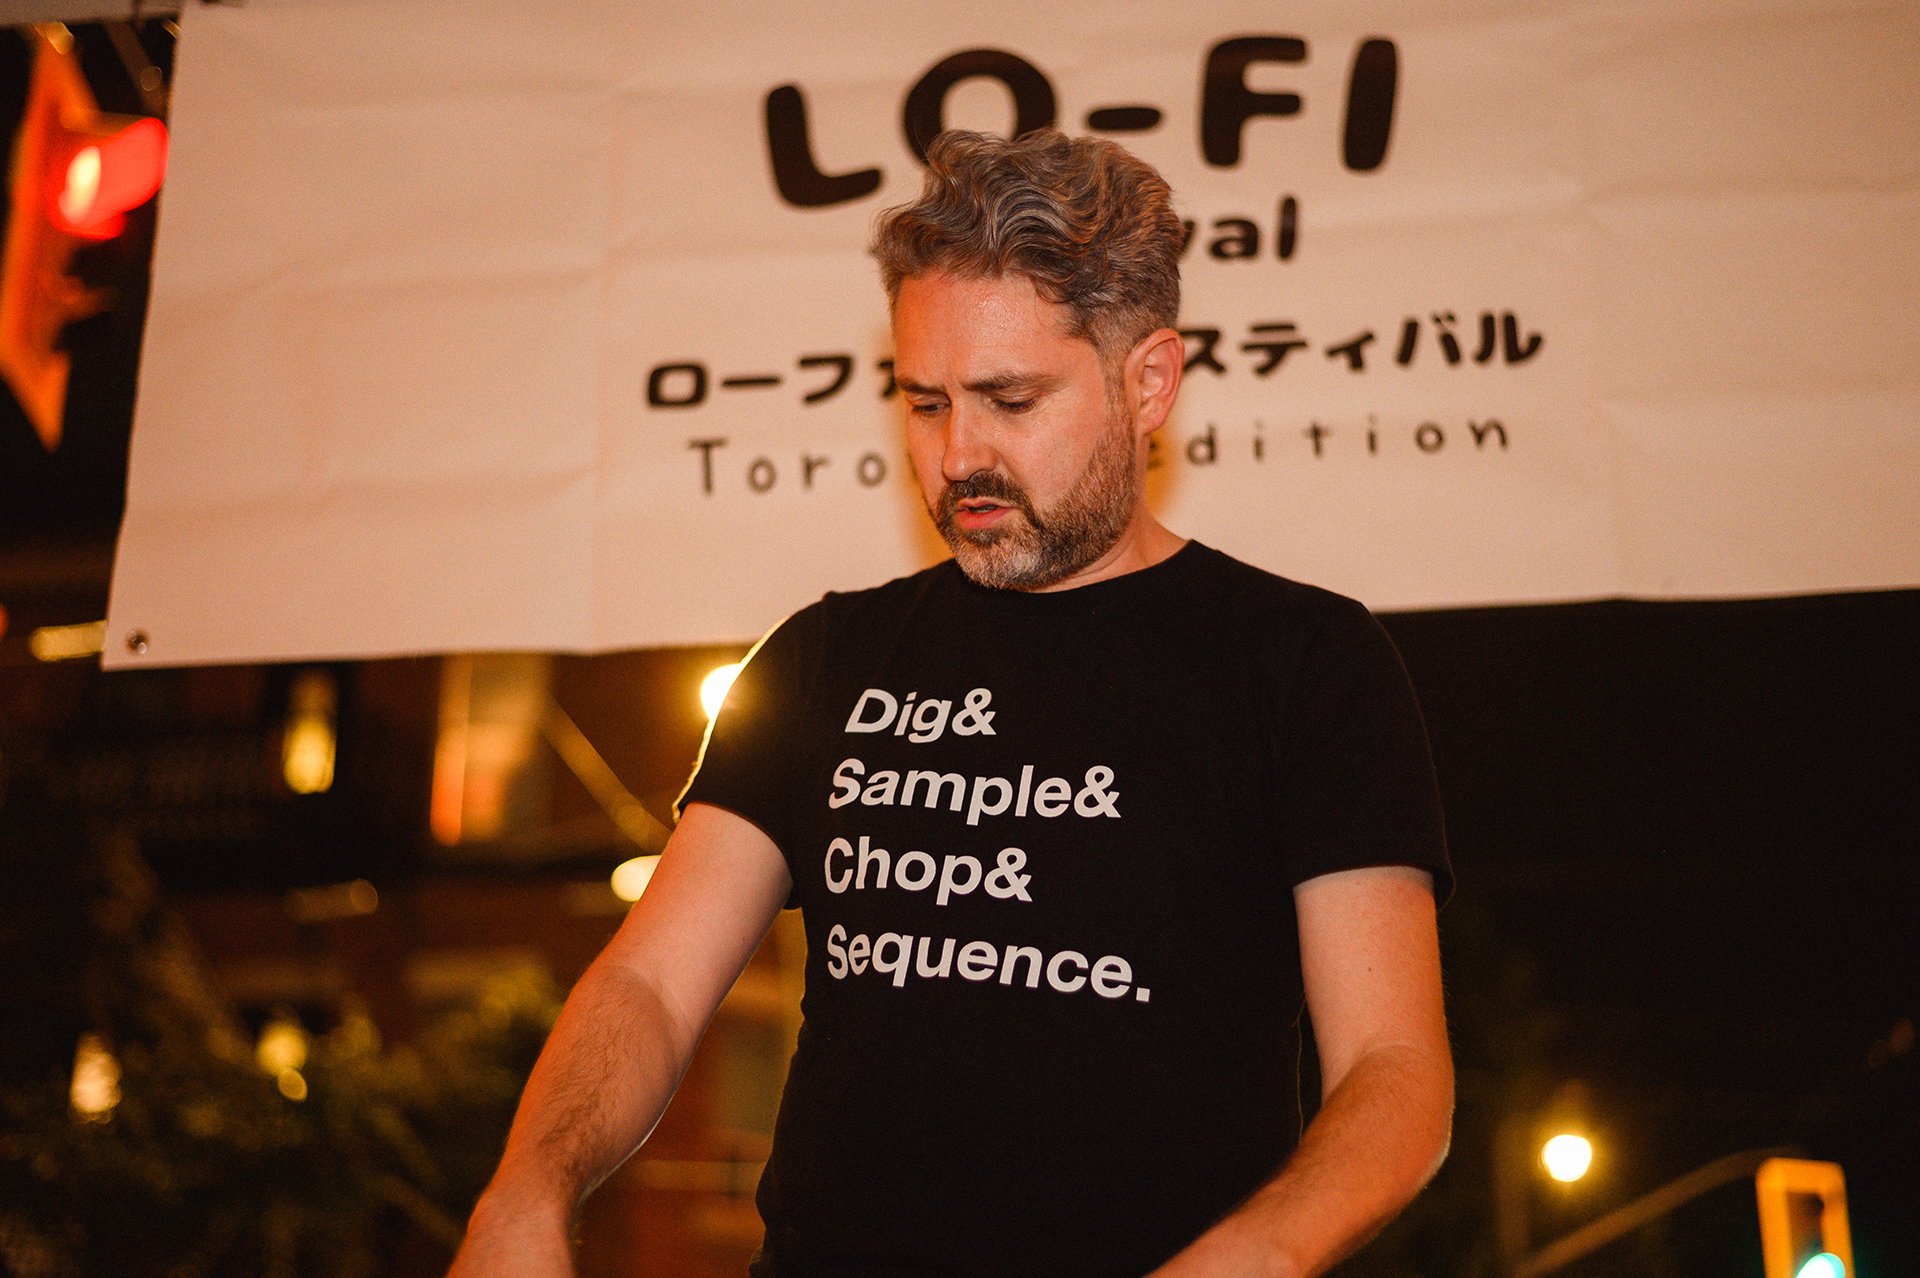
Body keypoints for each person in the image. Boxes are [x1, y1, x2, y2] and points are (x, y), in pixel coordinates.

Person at [448, 128, 1452, 1278]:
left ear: (1149, 381)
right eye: (924, 404)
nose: (960, 454)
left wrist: (1255, 1256)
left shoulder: (1305, 662)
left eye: (1009, 400)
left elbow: (1395, 1069)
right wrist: (526, 1192)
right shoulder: (826, 657)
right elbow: (651, 985)